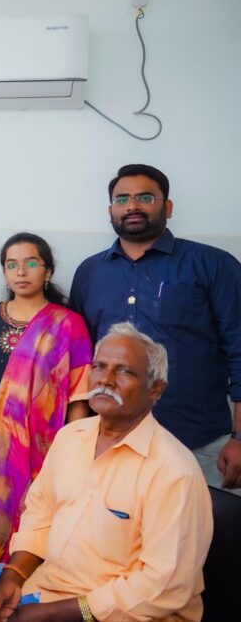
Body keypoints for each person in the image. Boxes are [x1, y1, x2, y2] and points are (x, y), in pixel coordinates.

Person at [0, 323, 213, 622]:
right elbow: (40, 515)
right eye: (99, 367)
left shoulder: (174, 472)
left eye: (124, 371)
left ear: (156, 388)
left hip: (120, 612)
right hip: (49, 587)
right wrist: (14, 573)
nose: (106, 380)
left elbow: (162, 587)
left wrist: (54, 614)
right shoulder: (70, 437)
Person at [69, 164, 241, 493]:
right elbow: (78, 361)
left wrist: (240, 437)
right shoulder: (90, 272)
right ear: (110, 210)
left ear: (168, 207)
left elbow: (239, 349)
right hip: (113, 442)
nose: (132, 206)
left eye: (145, 197)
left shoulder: (212, 264)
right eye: (122, 199)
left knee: (209, 526)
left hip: (202, 443)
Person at [0, 233, 93, 576]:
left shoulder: (69, 324)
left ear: (48, 271)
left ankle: (22, 587)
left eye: (31, 263)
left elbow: (79, 397)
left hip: (46, 449)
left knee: (36, 520)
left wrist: (73, 455)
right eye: (12, 265)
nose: (21, 272)